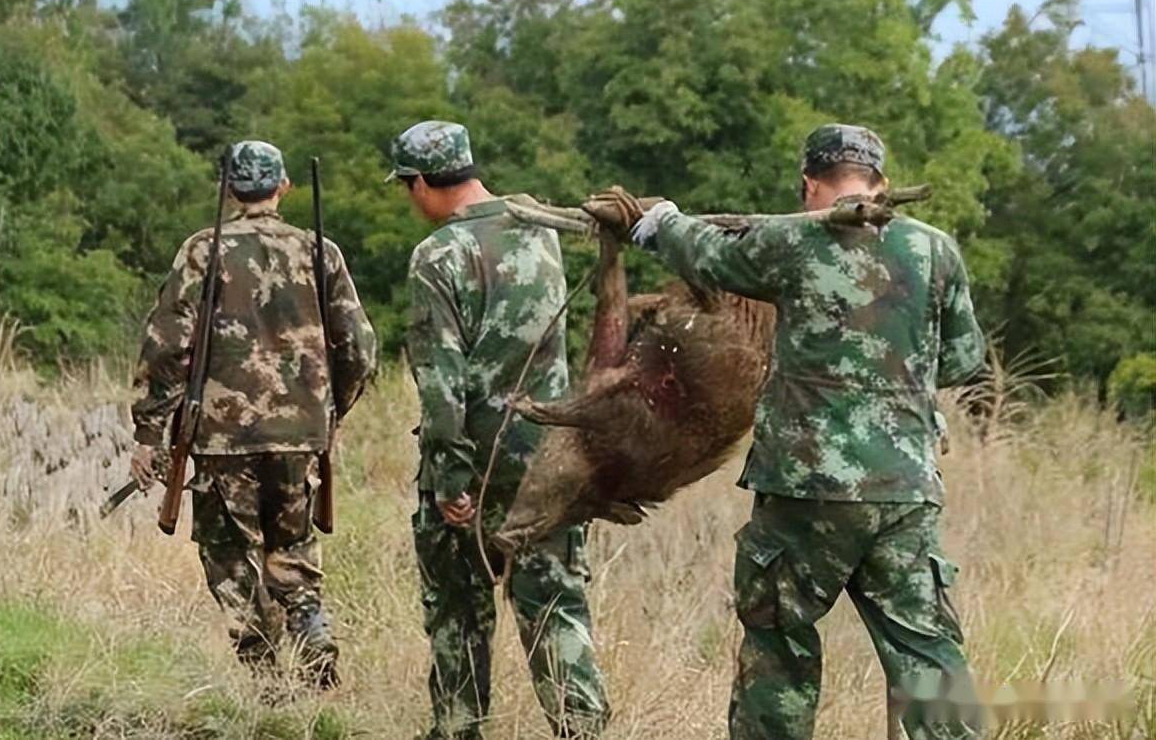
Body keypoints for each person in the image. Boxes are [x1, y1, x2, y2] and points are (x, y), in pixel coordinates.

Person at [591, 124, 985, 740]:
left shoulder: (793, 238)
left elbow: (711, 256)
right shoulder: (936, 250)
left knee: (779, 649)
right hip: (904, 493)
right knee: (928, 657)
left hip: (805, 493)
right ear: (879, 182)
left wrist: (660, 220)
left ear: (809, 184)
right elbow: (963, 359)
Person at [391, 120, 610, 740]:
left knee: (459, 609)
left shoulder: (438, 255)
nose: (410, 200)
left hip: (478, 458)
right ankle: (583, 729)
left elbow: (440, 380)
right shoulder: (541, 231)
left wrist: (450, 477)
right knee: (554, 606)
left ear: (427, 181)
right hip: (551, 454)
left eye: (408, 186)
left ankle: (459, 728)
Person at [129, 140, 377, 688]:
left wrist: (149, 431)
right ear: (282, 186)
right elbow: (359, 347)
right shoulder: (322, 253)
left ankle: (264, 680)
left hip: (223, 438)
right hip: (301, 436)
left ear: (228, 190)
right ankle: (312, 634)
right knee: (292, 549)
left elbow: (168, 346)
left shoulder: (203, 250)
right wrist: (331, 410)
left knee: (229, 555)